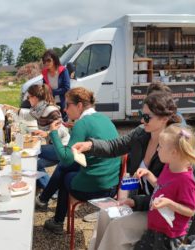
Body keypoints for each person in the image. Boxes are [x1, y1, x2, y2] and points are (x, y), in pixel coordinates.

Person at [73, 91, 181, 250]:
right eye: (141, 115)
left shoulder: (172, 149)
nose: (142, 120)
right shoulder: (141, 133)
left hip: (160, 211)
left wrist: (135, 202)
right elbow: (116, 146)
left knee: (118, 228)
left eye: (146, 117)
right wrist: (90, 145)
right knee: (104, 214)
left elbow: (169, 194)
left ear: (164, 119)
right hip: (139, 201)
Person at [35, 87, 121, 234]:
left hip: (97, 187)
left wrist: (53, 133)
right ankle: (46, 204)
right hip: (113, 185)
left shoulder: (83, 124)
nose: (65, 109)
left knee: (64, 173)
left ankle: (55, 218)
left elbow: (66, 158)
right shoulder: (104, 119)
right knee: (64, 169)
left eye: (68, 105)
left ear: (79, 106)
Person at [134, 124, 195, 250]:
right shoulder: (168, 167)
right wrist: (149, 175)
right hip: (155, 229)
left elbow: (190, 211)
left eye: (160, 147)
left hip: (169, 236)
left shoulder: (186, 181)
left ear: (173, 153)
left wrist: (169, 203)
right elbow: (161, 186)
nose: (157, 150)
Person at [2, 84, 70, 189]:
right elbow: (27, 115)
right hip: (54, 146)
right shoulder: (38, 110)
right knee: (34, 164)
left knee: (31, 156)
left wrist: (47, 133)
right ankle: (49, 190)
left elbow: (61, 129)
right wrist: (11, 108)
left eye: (29, 97)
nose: (27, 99)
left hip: (62, 146)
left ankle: (47, 190)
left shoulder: (50, 110)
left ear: (35, 97)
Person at [41, 49, 70, 120]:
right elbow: (45, 88)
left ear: (54, 59)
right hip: (51, 104)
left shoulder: (63, 70)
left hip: (63, 103)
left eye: (48, 60)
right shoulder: (44, 73)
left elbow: (66, 88)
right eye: (44, 61)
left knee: (64, 123)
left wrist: (52, 92)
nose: (46, 63)